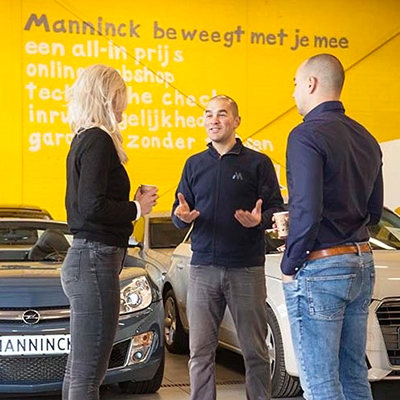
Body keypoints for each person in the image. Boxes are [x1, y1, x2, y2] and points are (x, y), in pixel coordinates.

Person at [281, 54, 383, 400]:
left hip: (321, 266)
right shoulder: (366, 137)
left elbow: (307, 210)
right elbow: (374, 213)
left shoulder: (305, 135)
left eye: (296, 83)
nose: (293, 92)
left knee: (320, 382)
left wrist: (289, 264)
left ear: (311, 83)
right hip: (361, 260)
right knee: (353, 375)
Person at [172, 95, 284, 400]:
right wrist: (181, 217)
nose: (214, 120)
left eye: (221, 114)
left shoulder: (258, 163)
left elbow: (276, 209)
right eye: (208, 114)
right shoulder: (194, 164)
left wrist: (261, 220)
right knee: (200, 352)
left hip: (246, 268)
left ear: (236, 121)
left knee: (255, 351)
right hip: (203, 269)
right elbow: (179, 212)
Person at [61, 64, 158, 400]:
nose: (124, 106)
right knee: (89, 374)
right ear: (108, 96)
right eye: (121, 97)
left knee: (80, 371)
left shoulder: (84, 138)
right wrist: (136, 208)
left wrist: (131, 206)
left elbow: (87, 204)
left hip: (89, 259)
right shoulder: (98, 139)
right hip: (94, 260)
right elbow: (92, 207)